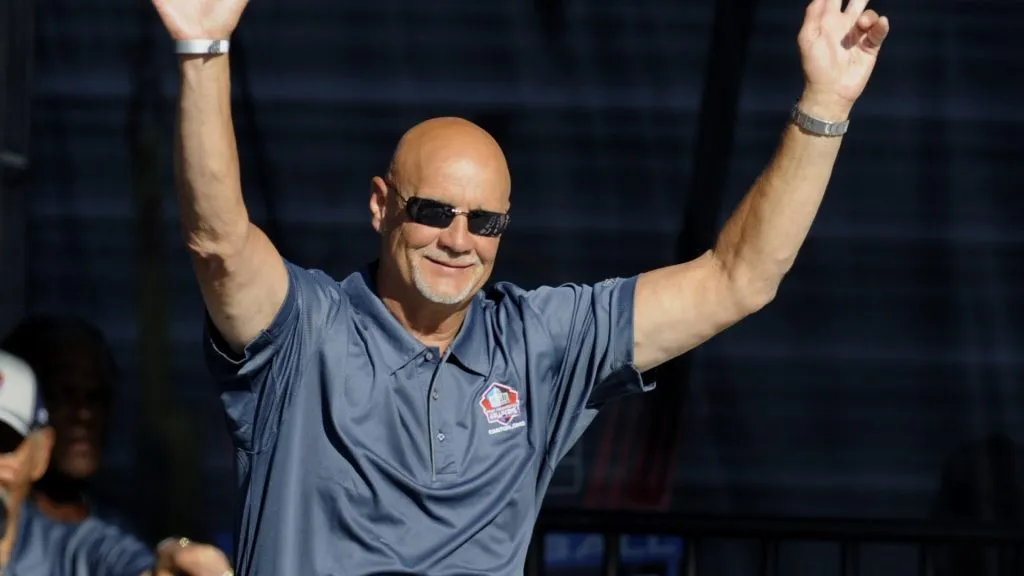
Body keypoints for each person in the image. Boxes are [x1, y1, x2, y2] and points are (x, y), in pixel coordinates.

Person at [151, 0, 890, 573]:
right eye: (434, 211)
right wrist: (202, 50)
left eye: (485, 222)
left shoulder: (538, 342)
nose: (458, 239)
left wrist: (825, 105)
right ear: (381, 205)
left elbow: (740, 279)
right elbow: (217, 245)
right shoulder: (305, 331)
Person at [0, 333, 232, 575]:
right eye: (65, 395)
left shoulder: (82, 548)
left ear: (40, 453)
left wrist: (171, 562)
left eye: (4, 442)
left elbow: (130, 563)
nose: (83, 414)